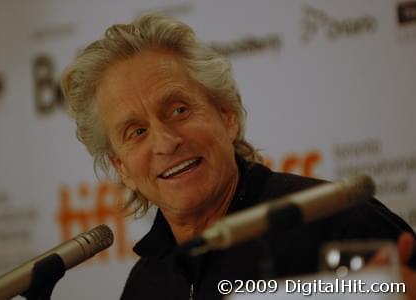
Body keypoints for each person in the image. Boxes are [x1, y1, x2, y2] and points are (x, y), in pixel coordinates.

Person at [61, 12, 416, 300]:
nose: (165, 143)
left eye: (179, 110)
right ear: (121, 167)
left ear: (227, 115)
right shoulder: (145, 284)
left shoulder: (338, 224)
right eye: (136, 132)